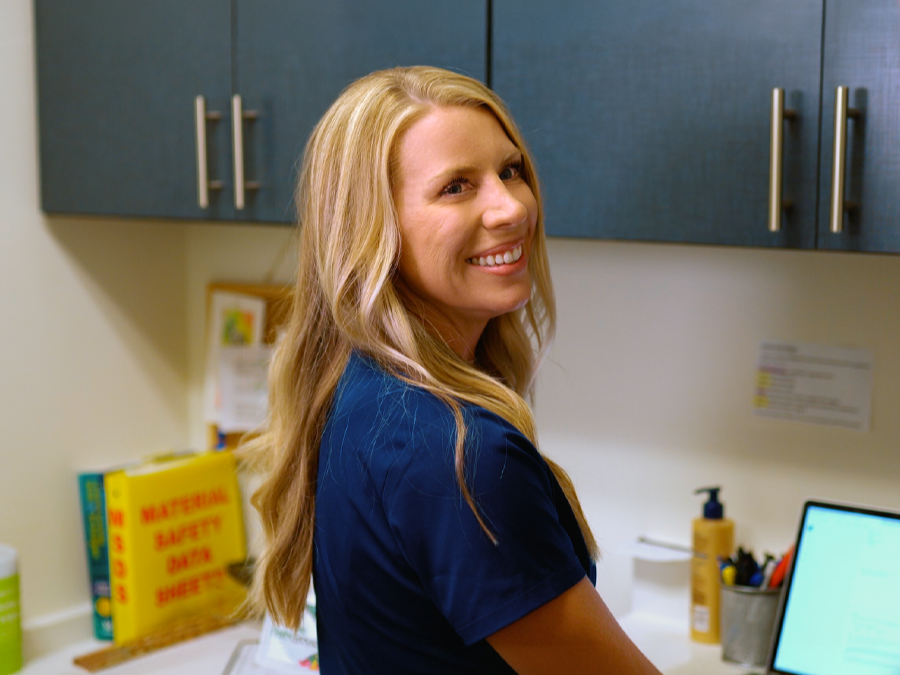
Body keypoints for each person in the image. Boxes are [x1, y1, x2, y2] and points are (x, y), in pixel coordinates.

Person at [245, 66, 662, 674]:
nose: (511, 207)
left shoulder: (361, 391)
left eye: (510, 171)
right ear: (373, 231)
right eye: (456, 187)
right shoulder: (460, 454)